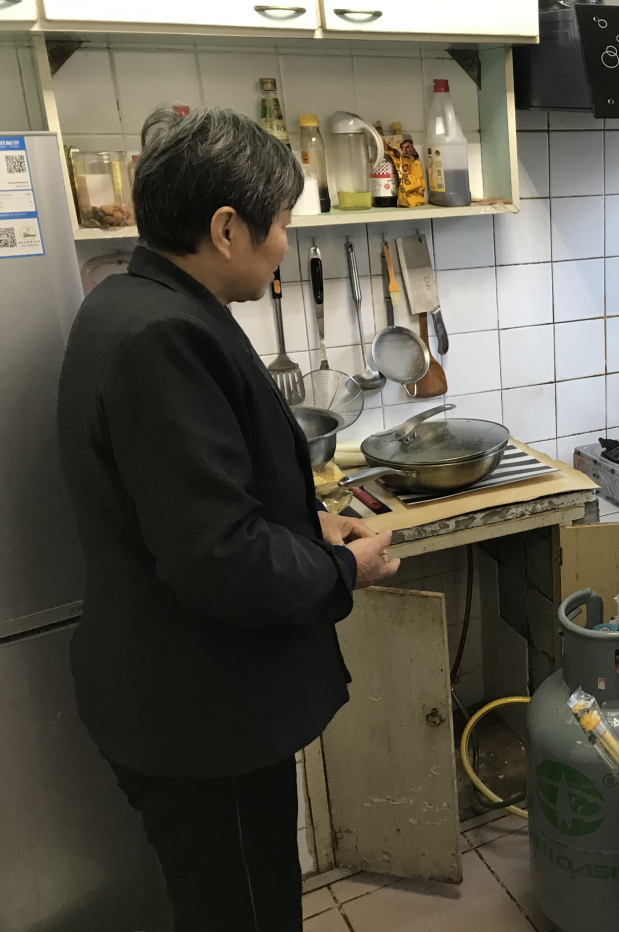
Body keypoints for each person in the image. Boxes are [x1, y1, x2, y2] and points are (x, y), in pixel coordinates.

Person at [57, 107, 400, 931]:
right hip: (201, 717)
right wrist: (345, 568)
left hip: (180, 701)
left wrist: (311, 527)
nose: (284, 241)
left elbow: (185, 502)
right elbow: (219, 557)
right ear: (225, 228)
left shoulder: (132, 302)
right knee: (246, 913)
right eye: (279, 222)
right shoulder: (163, 337)